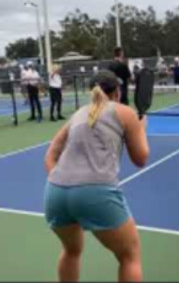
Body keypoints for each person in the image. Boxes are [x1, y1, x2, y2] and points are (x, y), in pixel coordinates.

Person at [44, 70, 149, 282]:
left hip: (55, 192)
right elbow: (141, 159)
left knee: (71, 251)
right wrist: (141, 128)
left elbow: (50, 155)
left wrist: (65, 183)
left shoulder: (78, 114)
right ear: (117, 92)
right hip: (96, 193)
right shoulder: (125, 112)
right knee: (130, 256)